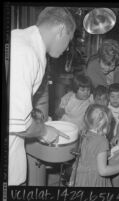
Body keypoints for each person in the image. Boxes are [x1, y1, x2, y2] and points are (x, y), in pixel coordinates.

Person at [9, 7, 76, 185]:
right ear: (61, 29)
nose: (67, 46)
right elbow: (19, 123)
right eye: (68, 40)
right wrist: (45, 131)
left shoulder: (20, 39)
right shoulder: (24, 52)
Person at [69, 104, 119, 187]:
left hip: (80, 177)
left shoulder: (84, 133)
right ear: (104, 125)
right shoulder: (102, 140)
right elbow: (103, 171)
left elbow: (91, 155)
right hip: (94, 181)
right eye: (109, 123)